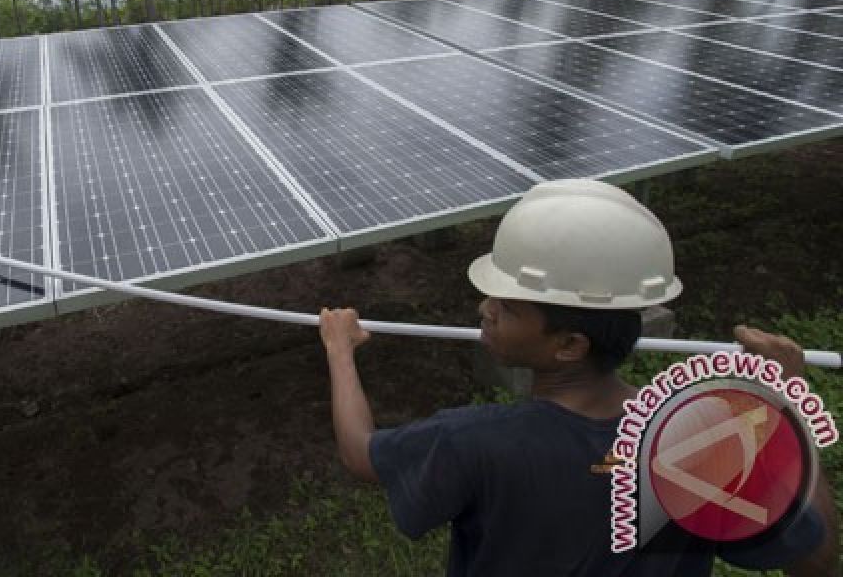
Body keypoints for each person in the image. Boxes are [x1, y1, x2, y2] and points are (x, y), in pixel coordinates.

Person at [319, 179, 839, 576]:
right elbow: (816, 563)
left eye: (507, 306)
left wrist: (340, 350)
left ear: (569, 344)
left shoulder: (473, 441)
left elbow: (361, 453)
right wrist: (787, 405)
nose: (484, 309)